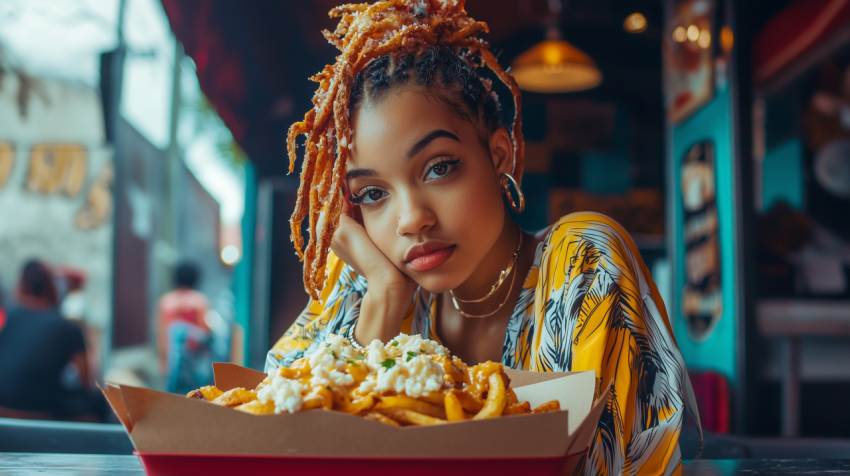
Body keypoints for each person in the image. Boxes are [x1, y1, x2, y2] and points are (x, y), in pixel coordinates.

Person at [266, 3, 689, 475]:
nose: (411, 219)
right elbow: (279, 441)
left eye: (439, 167)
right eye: (372, 193)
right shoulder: (370, 280)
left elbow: (605, 463)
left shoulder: (583, 262)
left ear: (499, 154)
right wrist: (384, 299)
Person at [0, 260, 107, 422]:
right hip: (41, 408)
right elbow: (87, 382)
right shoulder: (68, 327)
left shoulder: (7, 317)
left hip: (3, 404)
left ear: (20, 285)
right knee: (100, 402)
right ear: (54, 288)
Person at [158, 261, 212, 394]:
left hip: (172, 360)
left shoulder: (166, 301)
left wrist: (163, 358)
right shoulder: (199, 301)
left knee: (172, 398)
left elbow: (162, 334)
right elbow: (205, 332)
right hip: (193, 361)